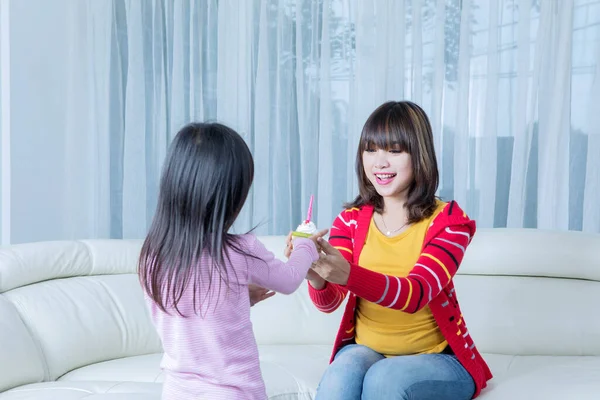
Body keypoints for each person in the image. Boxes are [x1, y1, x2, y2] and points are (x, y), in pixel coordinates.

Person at [287, 101, 492, 399]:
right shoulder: (352, 220)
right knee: (339, 378)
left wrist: (348, 274)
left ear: (418, 155)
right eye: (371, 150)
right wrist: (315, 275)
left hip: (440, 359)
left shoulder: (448, 222)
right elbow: (331, 301)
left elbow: (417, 293)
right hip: (369, 350)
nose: (379, 163)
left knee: (384, 380)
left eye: (394, 151)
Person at [138, 122, 327, 400]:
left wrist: (237, 297)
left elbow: (186, 311)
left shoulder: (152, 256)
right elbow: (288, 280)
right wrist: (305, 247)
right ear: (228, 196)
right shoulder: (241, 251)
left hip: (177, 391)